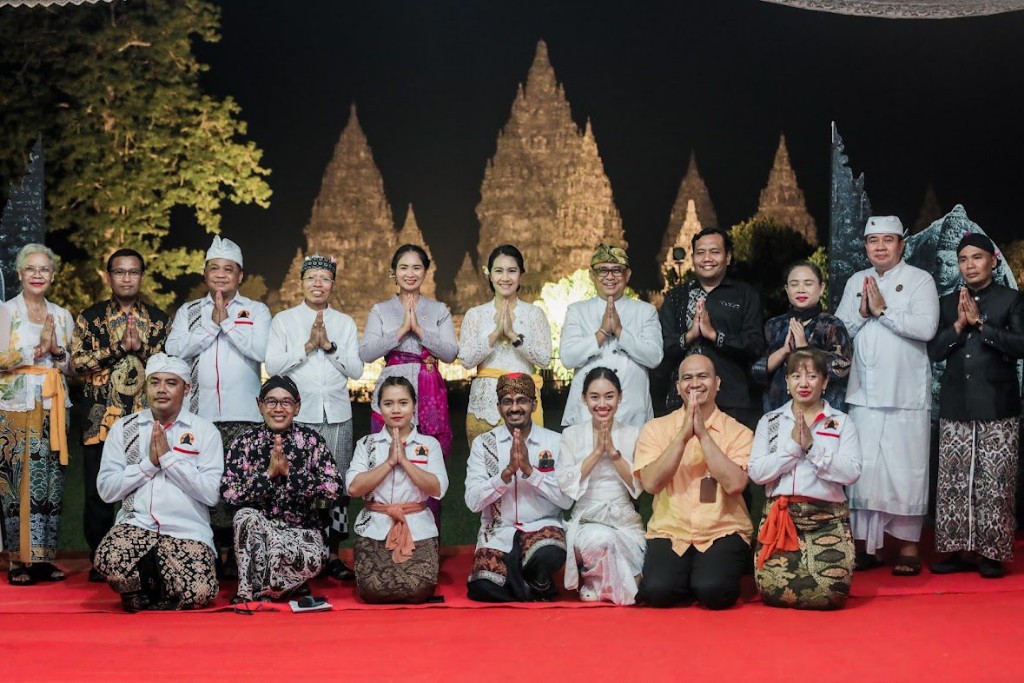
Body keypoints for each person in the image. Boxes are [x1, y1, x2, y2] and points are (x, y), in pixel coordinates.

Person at [835, 215, 939, 576]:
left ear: (901, 244)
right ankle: (867, 547)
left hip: (905, 394)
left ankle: (909, 548)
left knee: (905, 470)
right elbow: (839, 330)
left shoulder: (919, 280)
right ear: (865, 246)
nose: (880, 247)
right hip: (864, 394)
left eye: (888, 240)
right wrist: (864, 312)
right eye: (873, 241)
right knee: (866, 471)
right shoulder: (854, 282)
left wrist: (884, 310)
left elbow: (926, 328)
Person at [166, 235, 271, 574]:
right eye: (215, 269)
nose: (222, 275)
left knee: (241, 485)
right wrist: (212, 324)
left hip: (245, 414)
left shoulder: (256, 310)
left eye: (229, 269)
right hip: (201, 415)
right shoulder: (190, 311)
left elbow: (262, 352)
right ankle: (208, 550)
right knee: (205, 485)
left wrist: (227, 320)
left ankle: (240, 555)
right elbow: (175, 350)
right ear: (205, 273)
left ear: (240, 275)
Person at [928, 233, 1024, 579]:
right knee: (954, 481)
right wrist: (958, 324)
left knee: (994, 481)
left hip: (998, 404)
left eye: (977, 258)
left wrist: (981, 324)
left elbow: (1021, 345)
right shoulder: (947, 301)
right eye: (964, 259)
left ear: (993, 260)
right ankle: (956, 550)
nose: (970, 265)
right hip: (957, 404)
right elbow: (934, 351)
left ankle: (991, 554)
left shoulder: (1010, 300)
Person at [94, 354, 223, 611]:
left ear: (187, 389)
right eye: (154, 382)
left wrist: (169, 460)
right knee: (110, 559)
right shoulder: (125, 428)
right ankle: (152, 583)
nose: (161, 389)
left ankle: (148, 585)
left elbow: (211, 495)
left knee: (200, 592)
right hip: (136, 525)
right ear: (145, 387)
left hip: (187, 530)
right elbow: (107, 490)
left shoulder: (205, 431)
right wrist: (148, 465)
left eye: (171, 383)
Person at [71, 248, 170, 582]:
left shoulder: (158, 320)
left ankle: (143, 558)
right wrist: (117, 349)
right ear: (108, 276)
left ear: (142, 276)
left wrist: (140, 348)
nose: (126, 278)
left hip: (145, 420)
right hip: (100, 420)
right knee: (99, 494)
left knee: (145, 491)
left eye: (133, 272)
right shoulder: (90, 317)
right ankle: (101, 558)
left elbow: (169, 363)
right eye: (119, 272)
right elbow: (75, 364)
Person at [265, 254, 363, 582]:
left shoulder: (345, 323)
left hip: (336, 414)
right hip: (298, 418)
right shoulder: (284, 321)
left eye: (324, 279)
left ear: (333, 284)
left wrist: (330, 347)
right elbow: (273, 367)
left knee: (336, 488)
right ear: (302, 283)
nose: (318, 284)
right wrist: (308, 346)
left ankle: (334, 554)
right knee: (297, 487)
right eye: (312, 279)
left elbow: (357, 370)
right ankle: (301, 552)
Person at [633, 354, 753, 609]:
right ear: (678, 387)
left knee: (714, 592)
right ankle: (689, 576)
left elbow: (735, 485)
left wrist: (704, 437)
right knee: (657, 592)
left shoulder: (739, 431)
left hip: (722, 527)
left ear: (717, 383)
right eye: (687, 378)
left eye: (703, 376)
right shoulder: (655, 429)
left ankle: (700, 576)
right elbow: (651, 484)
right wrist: (682, 436)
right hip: (671, 528)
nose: (694, 383)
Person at [748, 348, 862, 610]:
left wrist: (813, 448)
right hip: (781, 518)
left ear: (825, 382)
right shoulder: (771, 421)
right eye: (796, 376)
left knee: (832, 593)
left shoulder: (841, 422)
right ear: (787, 383)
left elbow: (852, 472)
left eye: (812, 376)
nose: (803, 383)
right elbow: (756, 472)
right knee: (771, 590)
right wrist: (793, 449)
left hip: (826, 520)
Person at [221, 376, 343, 603]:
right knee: (244, 517)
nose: (278, 408)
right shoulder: (245, 442)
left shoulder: (311, 442)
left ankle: (272, 587)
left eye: (286, 402)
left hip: (301, 533)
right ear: (260, 405)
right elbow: (229, 492)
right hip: (259, 536)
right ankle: (250, 592)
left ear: (297, 407)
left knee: (312, 559)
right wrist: (267, 475)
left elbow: (334, 488)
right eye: (271, 402)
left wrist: (291, 475)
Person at [360, 244, 457, 525]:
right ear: (394, 273)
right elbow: (366, 353)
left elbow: (451, 353)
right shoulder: (381, 310)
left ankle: (427, 538)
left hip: (429, 397)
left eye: (417, 267)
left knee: (426, 461)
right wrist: (399, 331)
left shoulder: (438, 310)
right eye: (404, 267)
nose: (410, 273)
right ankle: (385, 532)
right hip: (391, 393)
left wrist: (421, 332)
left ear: (426, 272)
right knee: (386, 460)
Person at [0, 244, 73, 586]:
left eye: (45, 269)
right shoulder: (6, 312)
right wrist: (35, 349)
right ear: (19, 273)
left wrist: (57, 351)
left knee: (50, 483)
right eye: (31, 269)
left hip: (52, 407)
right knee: (15, 484)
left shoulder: (61, 315)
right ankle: (18, 561)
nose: (38, 275)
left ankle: (43, 560)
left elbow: (71, 367)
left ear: (54, 275)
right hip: (14, 407)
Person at [465, 372, 572, 602]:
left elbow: (566, 500)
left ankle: (521, 582)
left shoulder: (555, 442)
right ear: (498, 407)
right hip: (498, 531)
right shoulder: (484, 445)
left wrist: (530, 472)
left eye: (522, 400)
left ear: (534, 404)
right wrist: (504, 476)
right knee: (481, 587)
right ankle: (535, 586)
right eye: (507, 401)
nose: (515, 408)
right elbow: (473, 502)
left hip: (541, 527)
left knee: (550, 553)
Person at [347, 376, 448, 603]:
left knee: (418, 588)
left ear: (414, 406)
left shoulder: (429, 444)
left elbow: (438, 488)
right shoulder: (367, 444)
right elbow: (354, 488)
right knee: (372, 590)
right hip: (374, 527)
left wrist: (405, 461)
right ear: (378, 406)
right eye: (388, 403)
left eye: (403, 403)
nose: (396, 410)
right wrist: (389, 463)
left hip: (417, 528)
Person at [556, 367, 645, 605]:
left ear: (620, 397)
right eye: (594, 397)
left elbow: (639, 485)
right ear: (584, 398)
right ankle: (626, 584)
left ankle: (597, 583)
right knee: (603, 540)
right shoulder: (571, 435)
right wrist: (597, 452)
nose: (602, 403)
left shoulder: (633, 433)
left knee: (631, 548)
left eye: (609, 396)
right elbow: (565, 483)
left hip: (624, 520)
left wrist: (614, 454)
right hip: (587, 519)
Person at [659, 228, 764, 428]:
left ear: (728, 257)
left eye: (715, 252)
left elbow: (755, 346)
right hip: (681, 402)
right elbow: (662, 350)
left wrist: (715, 336)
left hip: (730, 402)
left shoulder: (744, 295)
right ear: (692, 257)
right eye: (700, 252)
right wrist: (690, 336)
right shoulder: (676, 297)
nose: (707, 258)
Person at [560, 244, 663, 429]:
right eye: (602, 271)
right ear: (592, 275)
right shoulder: (577, 311)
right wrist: (602, 333)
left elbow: (654, 357)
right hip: (586, 415)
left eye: (617, 270)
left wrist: (620, 332)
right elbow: (568, 358)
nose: (610, 277)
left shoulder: (645, 311)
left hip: (632, 415)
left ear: (627, 275)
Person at [459, 244, 552, 443]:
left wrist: (513, 335)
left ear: (520, 275)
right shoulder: (475, 315)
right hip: (484, 406)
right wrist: (494, 335)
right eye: (499, 271)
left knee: (527, 469)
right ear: (490, 276)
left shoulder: (534, 314)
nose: (505, 278)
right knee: (486, 469)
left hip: (525, 403)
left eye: (512, 271)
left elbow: (544, 359)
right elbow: (466, 360)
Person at [751, 261, 852, 412]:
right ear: (786, 289)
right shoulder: (774, 325)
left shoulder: (832, 324)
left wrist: (806, 349)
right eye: (794, 284)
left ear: (821, 288)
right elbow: (756, 372)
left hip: (822, 411)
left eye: (808, 283)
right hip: (778, 409)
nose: (801, 290)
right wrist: (784, 352)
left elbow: (842, 368)